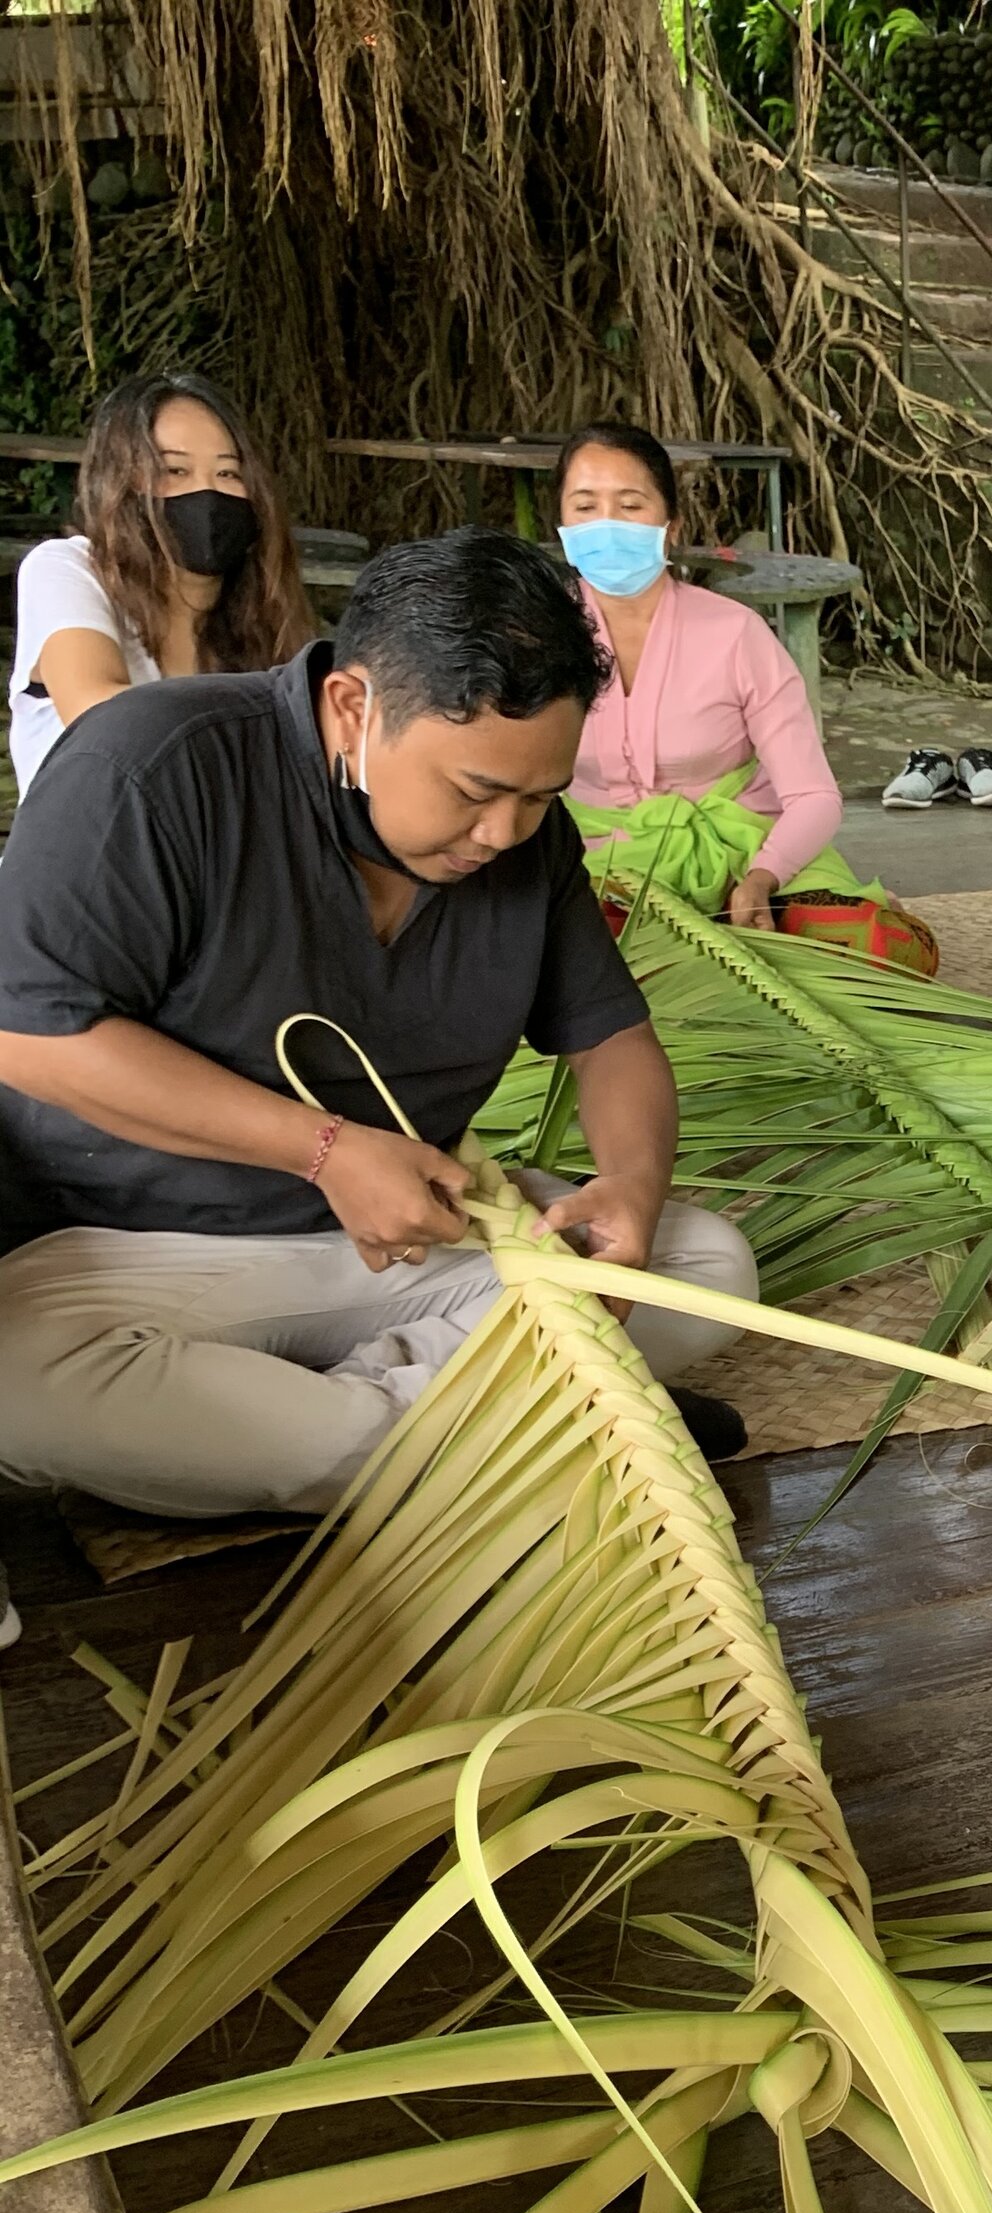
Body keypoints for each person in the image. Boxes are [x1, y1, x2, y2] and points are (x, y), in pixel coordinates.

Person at [0, 527, 757, 1522]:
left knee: (707, 1269)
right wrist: (322, 1150)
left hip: (420, 1242)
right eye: (475, 792)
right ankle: (529, 1415)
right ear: (354, 706)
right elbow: (30, 1035)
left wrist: (630, 1186)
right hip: (137, 1252)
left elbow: (611, 1039)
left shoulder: (528, 841)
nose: (502, 836)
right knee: (23, 1395)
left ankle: (374, 1438)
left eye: (539, 797)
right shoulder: (154, 764)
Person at [554, 419, 858, 927]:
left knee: (873, 944)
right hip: (593, 867)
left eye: (630, 506)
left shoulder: (736, 633)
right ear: (561, 526)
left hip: (742, 854)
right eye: (585, 507)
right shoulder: (533, 637)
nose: (606, 525)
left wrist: (765, 874)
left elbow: (815, 798)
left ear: (670, 527)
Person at [9, 371, 314, 797]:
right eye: (174, 470)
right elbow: (101, 717)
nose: (206, 491)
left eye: (228, 474)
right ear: (120, 482)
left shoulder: (266, 618)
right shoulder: (68, 569)